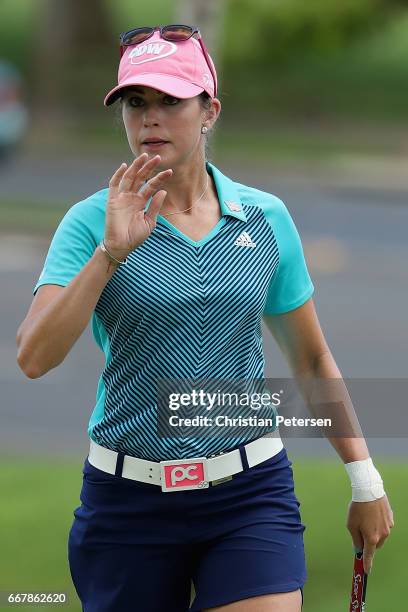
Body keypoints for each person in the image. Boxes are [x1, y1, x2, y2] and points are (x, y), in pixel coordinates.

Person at [16, 25, 394, 612]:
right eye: (137, 103)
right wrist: (111, 254)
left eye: (171, 101)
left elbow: (313, 358)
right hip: (127, 501)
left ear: (209, 110)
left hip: (248, 493)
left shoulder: (265, 218)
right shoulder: (90, 222)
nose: (150, 119)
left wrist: (364, 477)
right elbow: (35, 357)